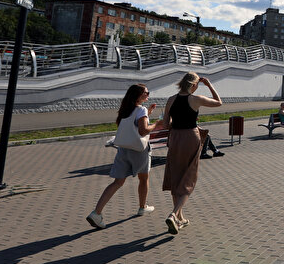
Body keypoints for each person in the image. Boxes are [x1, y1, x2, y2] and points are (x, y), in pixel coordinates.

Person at [87, 84, 156, 229]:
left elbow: (133, 125)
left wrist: (147, 113)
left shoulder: (126, 109)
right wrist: (158, 124)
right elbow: (143, 131)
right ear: (138, 95)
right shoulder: (141, 109)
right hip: (138, 150)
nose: (148, 95)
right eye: (146, 92)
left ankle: (96, 212)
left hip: (123, 149)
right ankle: (142, 207)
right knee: (144, 178)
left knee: (117, 182)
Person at [160, 73, 222, 235]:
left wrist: (176, 121)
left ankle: (180, 218)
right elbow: (219, 102)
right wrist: (209, 85)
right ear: (194, 85)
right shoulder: (196, 99)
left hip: (175, 138)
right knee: (189, 178)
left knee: (177, 175)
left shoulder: (171, 99)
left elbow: (166, 124)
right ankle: (174, 215)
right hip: (190, 137)